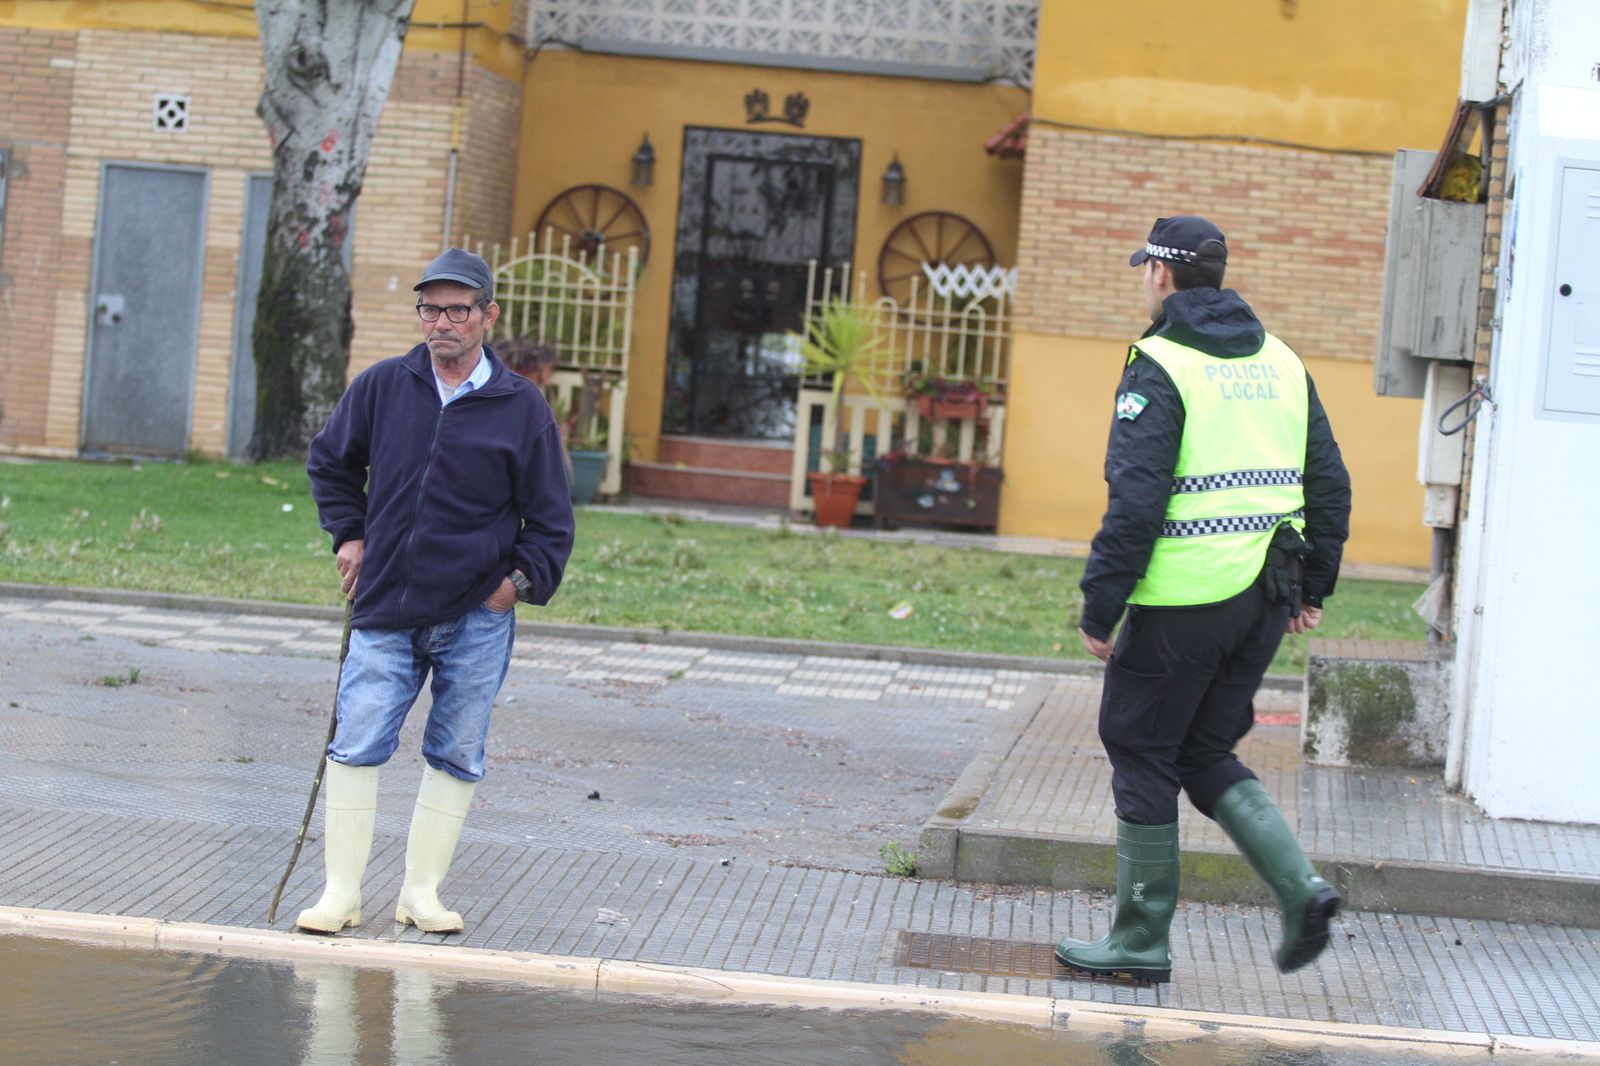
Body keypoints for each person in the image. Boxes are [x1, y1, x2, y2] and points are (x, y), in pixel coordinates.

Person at [1055, 216, 1352, 983]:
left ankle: (1140, 940)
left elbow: (1138, 498)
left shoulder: (1161, 363)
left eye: (1144, 270)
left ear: (1161, 274)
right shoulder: (1282, 360)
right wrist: (1313, 583)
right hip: (1265, 597)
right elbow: (1329, 482)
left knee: (1141, 743)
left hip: (1186, 598)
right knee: (1202, 750)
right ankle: (1301, 889)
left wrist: (1101, 605)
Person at [297, 247, 574, 935]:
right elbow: (330, 463)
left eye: (457, 309)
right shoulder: (384, 386)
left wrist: (513, 587)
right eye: (431, 308)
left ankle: (421, 894)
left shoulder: (521, 407)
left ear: (488, 315)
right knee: (357, 739)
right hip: (386, 602)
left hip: (477, 612)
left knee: (456, 750)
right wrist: (349, 536)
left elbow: (551, 520)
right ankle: (341, 895)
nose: (443, 322)